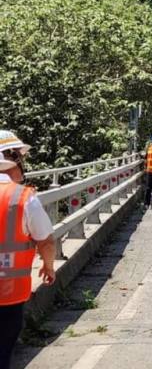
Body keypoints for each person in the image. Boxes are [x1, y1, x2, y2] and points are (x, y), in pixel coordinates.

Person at [0, 130, 55, 369]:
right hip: (8, 294)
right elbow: (46, 241)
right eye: (20, 158)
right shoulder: (23, 197)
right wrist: (49, 265)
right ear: (12, 159)